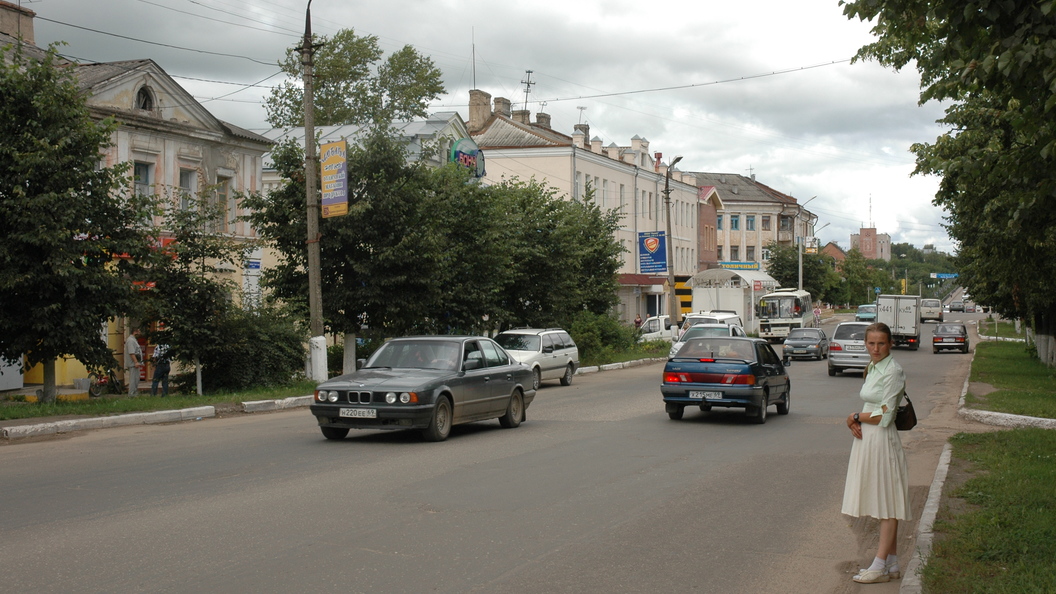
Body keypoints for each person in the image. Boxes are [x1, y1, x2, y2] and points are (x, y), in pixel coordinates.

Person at [842, 322, 910, 584]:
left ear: (890, 343)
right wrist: (856, 422)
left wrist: (855, 416)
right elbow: (873, 403)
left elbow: (886, 413)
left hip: (882, 439)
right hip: (868, 439)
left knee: (886, 502)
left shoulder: (892, 370)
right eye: (871, 343)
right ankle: (891, 562)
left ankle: (879, 564)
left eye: (881, 343)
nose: (876, 348)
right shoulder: (872, 367)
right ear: (865, 344)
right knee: (881, 497)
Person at [124, 328, 143, 396]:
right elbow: (131, 352)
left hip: (135, 363)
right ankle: (131, 394)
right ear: (135, 332)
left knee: (136, 379)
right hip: (133, 364)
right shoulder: (130, 341)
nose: (140, 333)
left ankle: (134, 393)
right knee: (133, 380)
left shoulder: (134, 340)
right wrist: (135, 362)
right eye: (139, 331)